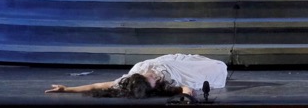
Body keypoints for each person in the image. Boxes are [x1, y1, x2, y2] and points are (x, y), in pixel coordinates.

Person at [45, 53, 227, 99]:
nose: (154, 76)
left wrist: (67, 89)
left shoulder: (130, 78)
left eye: (151, 77)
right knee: (217, 68)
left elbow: (97, 86)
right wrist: (187, 97)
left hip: (167, 61)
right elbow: (185, 88)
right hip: (175, 71)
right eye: (154, 79)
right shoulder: (163, 83)